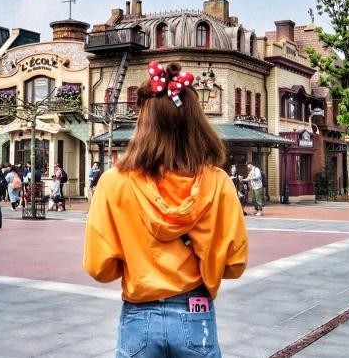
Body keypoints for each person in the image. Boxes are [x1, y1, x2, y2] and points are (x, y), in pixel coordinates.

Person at [84, 60, 248, 357]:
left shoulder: (113, 183)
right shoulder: (218, 183)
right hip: (194, 310)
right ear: (196, 122)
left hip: (139, 314)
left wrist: (138, 258)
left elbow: (100, 268)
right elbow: (234, 265)